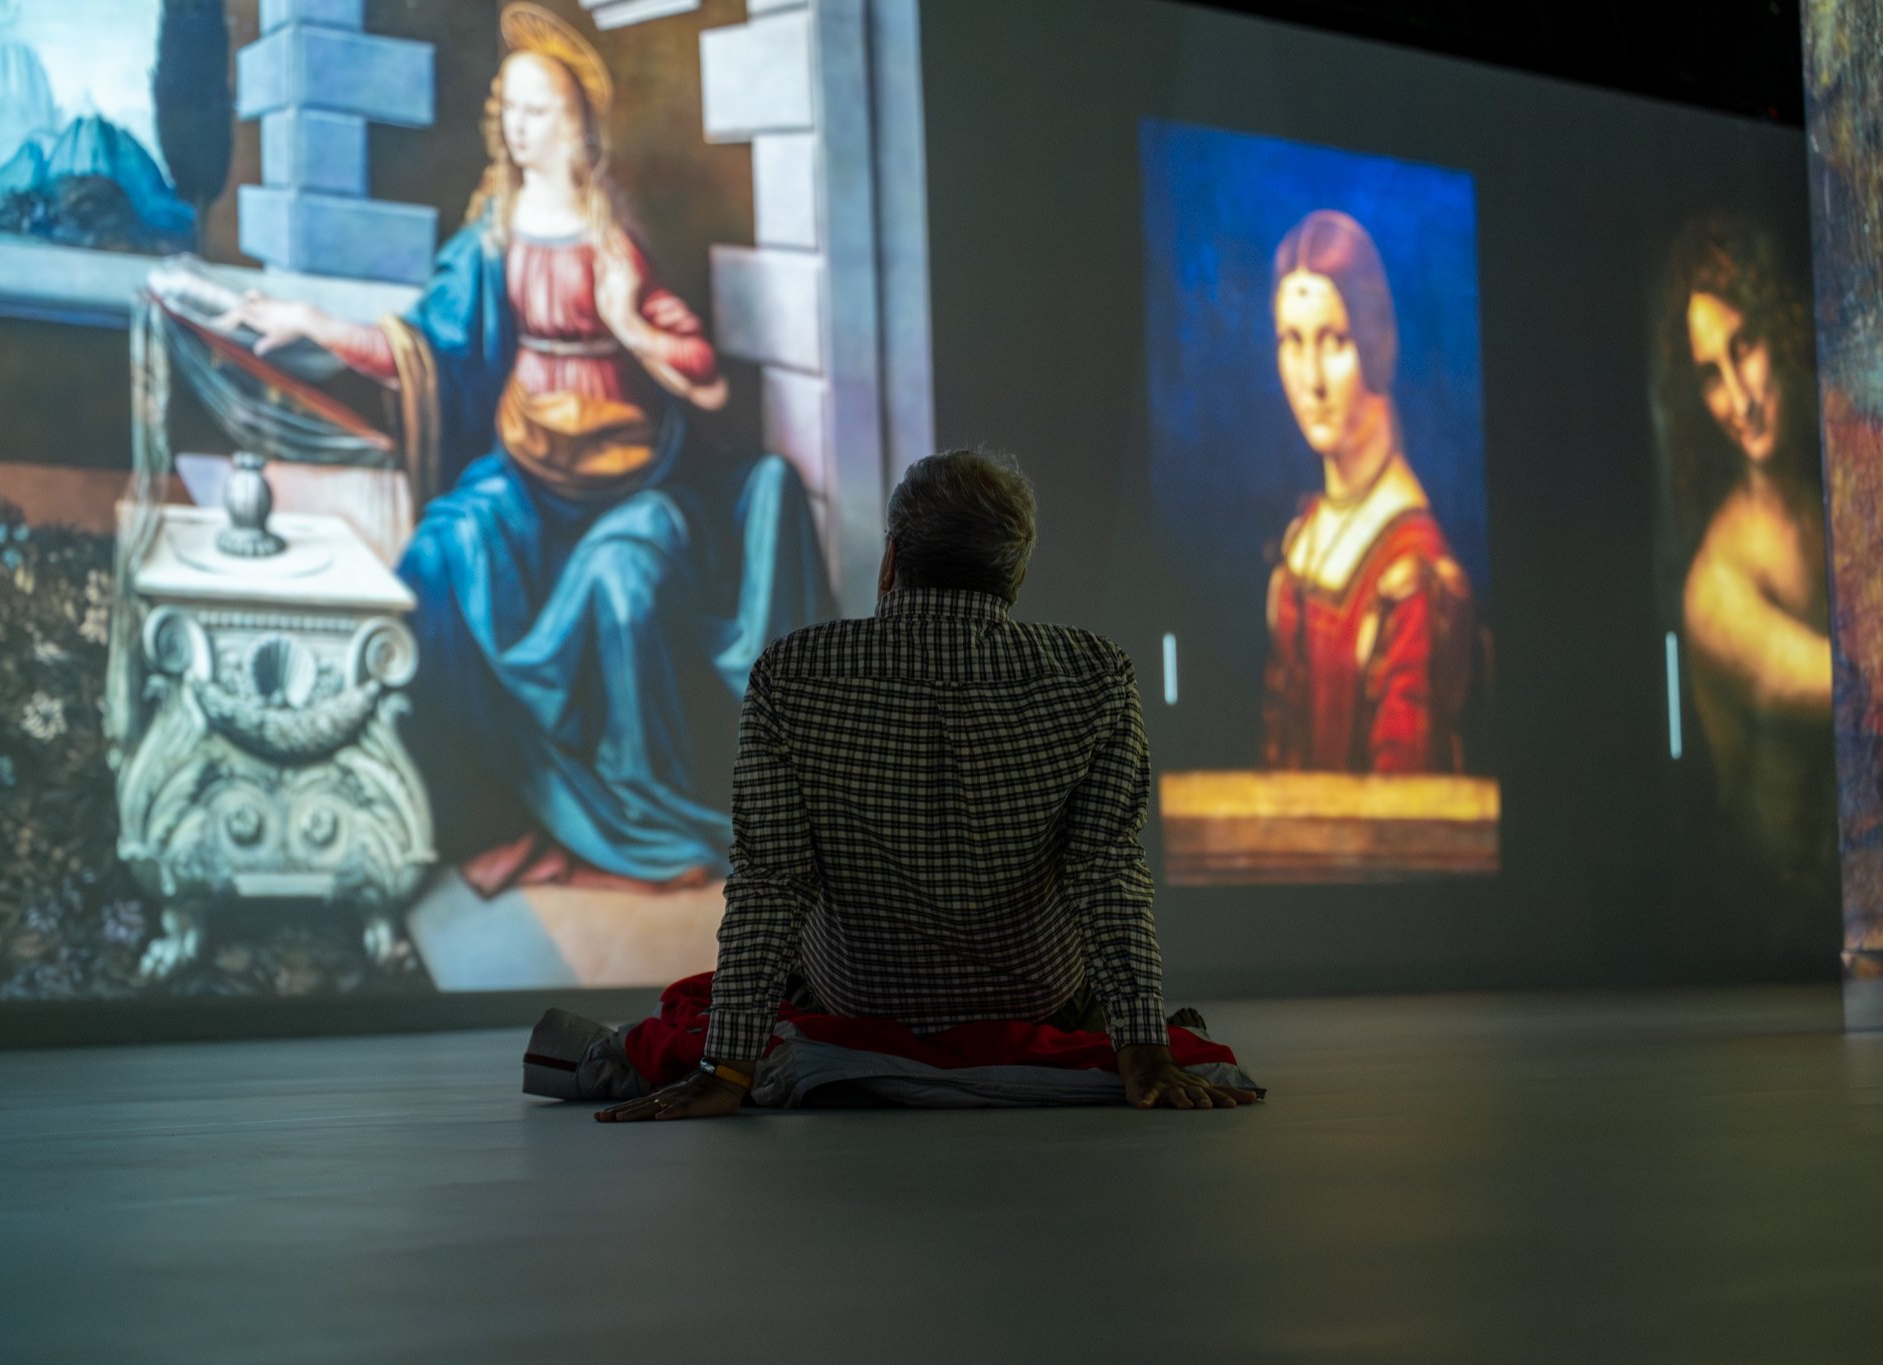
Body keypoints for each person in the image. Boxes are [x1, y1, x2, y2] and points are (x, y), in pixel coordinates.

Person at [221, 4, 829, 893]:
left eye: (538, 108)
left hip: (631, 488)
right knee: (438, 556)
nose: (519, 123)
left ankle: (636, 815)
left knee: (628, 588)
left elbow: (705, 379)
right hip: (525, 477)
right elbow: (419, 344)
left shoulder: (611, 241)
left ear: (578, 120)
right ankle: (489, 813)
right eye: (510, 107)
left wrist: (627, 324)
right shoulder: (493, 236)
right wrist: (309, 322)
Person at [592, 451, 1260, 1118]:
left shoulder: (791, 674)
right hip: (1036, 1001)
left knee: (772, 957)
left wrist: (724, 1065)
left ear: (890, 560)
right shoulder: (1096, 675)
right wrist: (1143, 1048)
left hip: (858, 1002)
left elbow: (773, 882)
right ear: (1016, 571)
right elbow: (1106, 877)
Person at [1657, 220, 1835, 913]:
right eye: (1710, 376)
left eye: (1746, 346)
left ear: (1780, 328)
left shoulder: (1837, 480)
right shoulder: (1716, 590)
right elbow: (1868, 695)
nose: (1739, 398)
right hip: (1796, 925)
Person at [1262, 210, 1473, 774]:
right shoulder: (1305, 537)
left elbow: (1400, 806)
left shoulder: (1413, 568)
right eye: (1291, 341)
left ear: (1375, 341)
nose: (1311, 380)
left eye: (1334, 340)